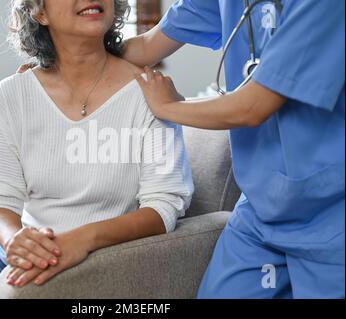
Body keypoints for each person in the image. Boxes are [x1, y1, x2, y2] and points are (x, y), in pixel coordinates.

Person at [0, 0, 193, 299]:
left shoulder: (151, 93)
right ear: (38, 11)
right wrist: (16, 241)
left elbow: (163, 207)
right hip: (20, 251)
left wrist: (80, 240)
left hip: (106, 256)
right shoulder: (10, 95)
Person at [126, 0, 344, 298]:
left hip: (333, 213)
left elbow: (253, 107)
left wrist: (169, 106)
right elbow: (147, 46)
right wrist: (60, 58)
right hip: (261, 208)